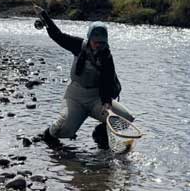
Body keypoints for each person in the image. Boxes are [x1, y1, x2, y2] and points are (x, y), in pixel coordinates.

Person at [38, 10, 134, 149]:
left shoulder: (107, 56)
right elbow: (57, 35)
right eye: (96, 42)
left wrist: (107, 103)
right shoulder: (78, 45)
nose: (98, 45)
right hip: (75, 97)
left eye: (102, 43)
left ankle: (100, 134)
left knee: (126, 120)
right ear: (89, 39)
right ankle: (47, 135)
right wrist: (44, 16)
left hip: (97, 99)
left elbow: (107, 81)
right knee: (63, 130)